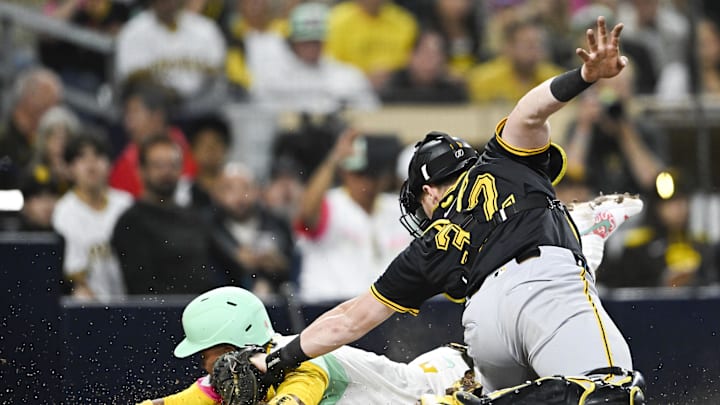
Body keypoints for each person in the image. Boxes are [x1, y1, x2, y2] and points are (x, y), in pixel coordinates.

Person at [252, 16, 644, 402]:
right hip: (546, 281)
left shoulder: (428, 245)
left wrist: (280, 359)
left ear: (429, 192)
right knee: (611, 392)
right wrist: (584, 76)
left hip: (484, 324)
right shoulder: (502, 162)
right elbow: (529, 111)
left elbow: (352, 319)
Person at [135, 286, 482, 405]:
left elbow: (295, 396)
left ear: (232, 345)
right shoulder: (236, 376)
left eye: (205, 353)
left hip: (459, 385)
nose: (202, 364)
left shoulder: (306, 360)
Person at [52, 133, 132, 301]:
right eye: (81, 158)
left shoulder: (126, 204)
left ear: (110, 164)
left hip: (131, 298)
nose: (91, 164)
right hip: (90, 306)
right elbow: (74, 274)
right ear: (69, 168)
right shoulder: (64, 211)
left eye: (98, 155)